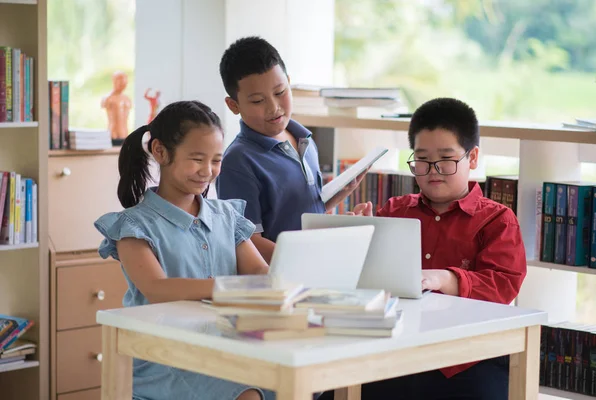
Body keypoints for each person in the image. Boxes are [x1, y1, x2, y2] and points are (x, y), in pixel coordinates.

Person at [323, 97, 527, 400]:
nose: (433, 170)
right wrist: (360, 237)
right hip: (398, 351)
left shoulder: (497, 219)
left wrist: (445, 278)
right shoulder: (395, 210)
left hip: (468, 358)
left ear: (472, 158)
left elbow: (504, 283)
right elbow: (369, 279)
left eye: (446, 158)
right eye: (421, 159)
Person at [94, 100, 274, 400]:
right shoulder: (133, 227)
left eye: (216, 160)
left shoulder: (226, 216)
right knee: (249, 394)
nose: (207, 171)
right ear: (161, 152)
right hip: (163, 356)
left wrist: (280, 282)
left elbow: (258, 271)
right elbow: (157, 289)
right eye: (197, 159)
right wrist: (229, 288)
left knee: (292, 384)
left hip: (224, 346)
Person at [216, 36, 365, 263]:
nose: (273, 108)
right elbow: (247, 241)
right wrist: (308, 257)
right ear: (233, 105)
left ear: (288, 81)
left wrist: (335, 199)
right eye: (257, 101)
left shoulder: (304, 139)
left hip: (315, 268)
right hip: (276, 281)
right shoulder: (238, 162)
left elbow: (298, 213)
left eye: (280, 92)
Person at [101, 70, 132, 145]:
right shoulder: (108, 98)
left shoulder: (127, 99)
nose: (123, 83)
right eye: (120, 80)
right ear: (114, 81)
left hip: (125, 134)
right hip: (113, 134)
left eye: (125, 80)